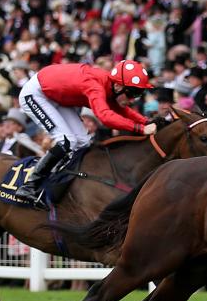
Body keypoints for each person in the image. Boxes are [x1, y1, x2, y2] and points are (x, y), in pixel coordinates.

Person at [14, 59, 157, 206]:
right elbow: (105, 117)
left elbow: (122, 110)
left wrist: (146, 121)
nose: (133, 99)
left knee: (83, 143)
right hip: (36, 94)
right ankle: (29, 186)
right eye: (133, 93)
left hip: (55, 95)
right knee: (67, 141)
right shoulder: (95, 85)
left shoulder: (112, 86)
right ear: (119, 86)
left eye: (138, 94)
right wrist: (140, 128)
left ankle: (61, 182)